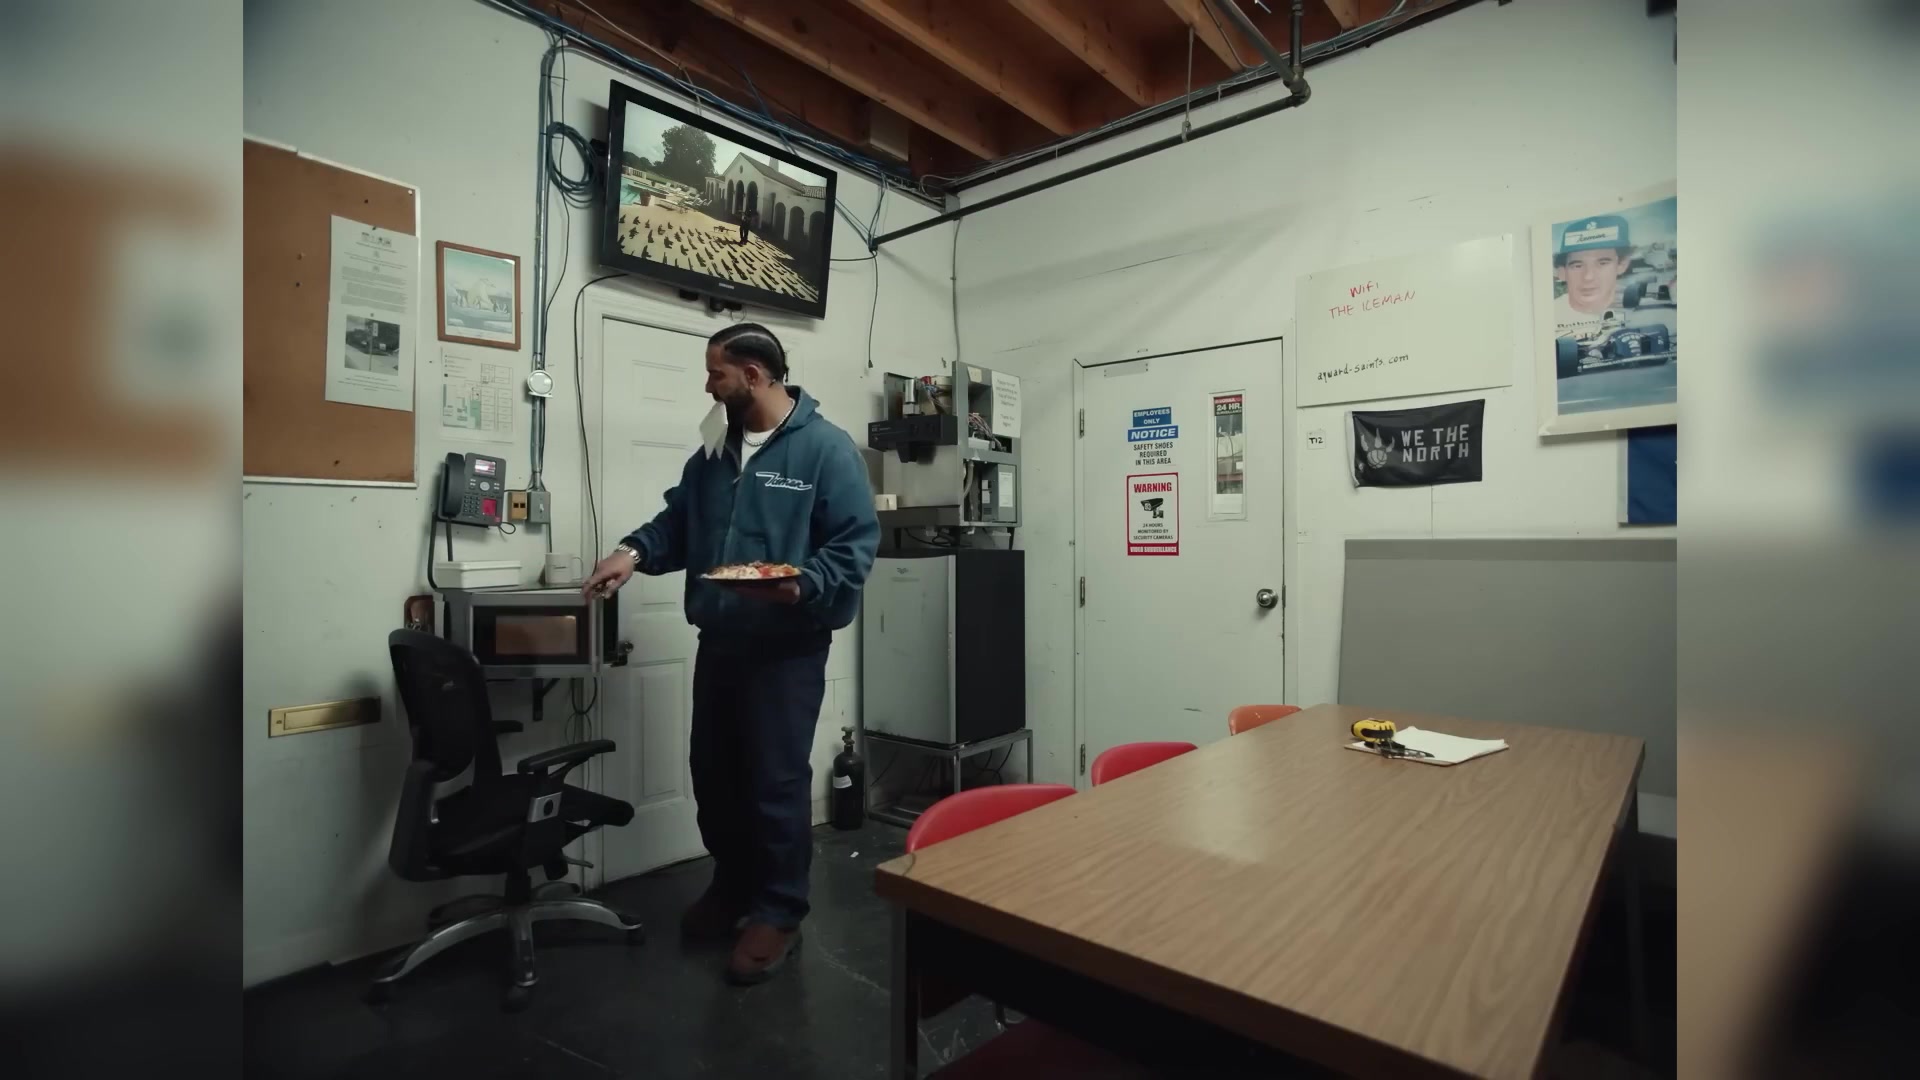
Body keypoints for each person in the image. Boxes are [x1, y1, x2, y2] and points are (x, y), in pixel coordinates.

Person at [581, 323, 877, 985]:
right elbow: (679, 521)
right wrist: (631, 553)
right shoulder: (714, 452)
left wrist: (803, 584)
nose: (708, 385)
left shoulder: (825, 450)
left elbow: (855, 544)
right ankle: (734, 883)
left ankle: (779, 910)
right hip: (720, 642)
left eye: (716, 372)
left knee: (774, 781)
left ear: (753, 374)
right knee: (714, 775)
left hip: (787, 649)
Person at [1553, 213, 1634, 345]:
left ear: (1622, 265)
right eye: (1577, 265)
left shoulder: (1645, 312)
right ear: (1562, 272)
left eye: (1602, 263)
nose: (1588, 276)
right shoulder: (1548, 315)